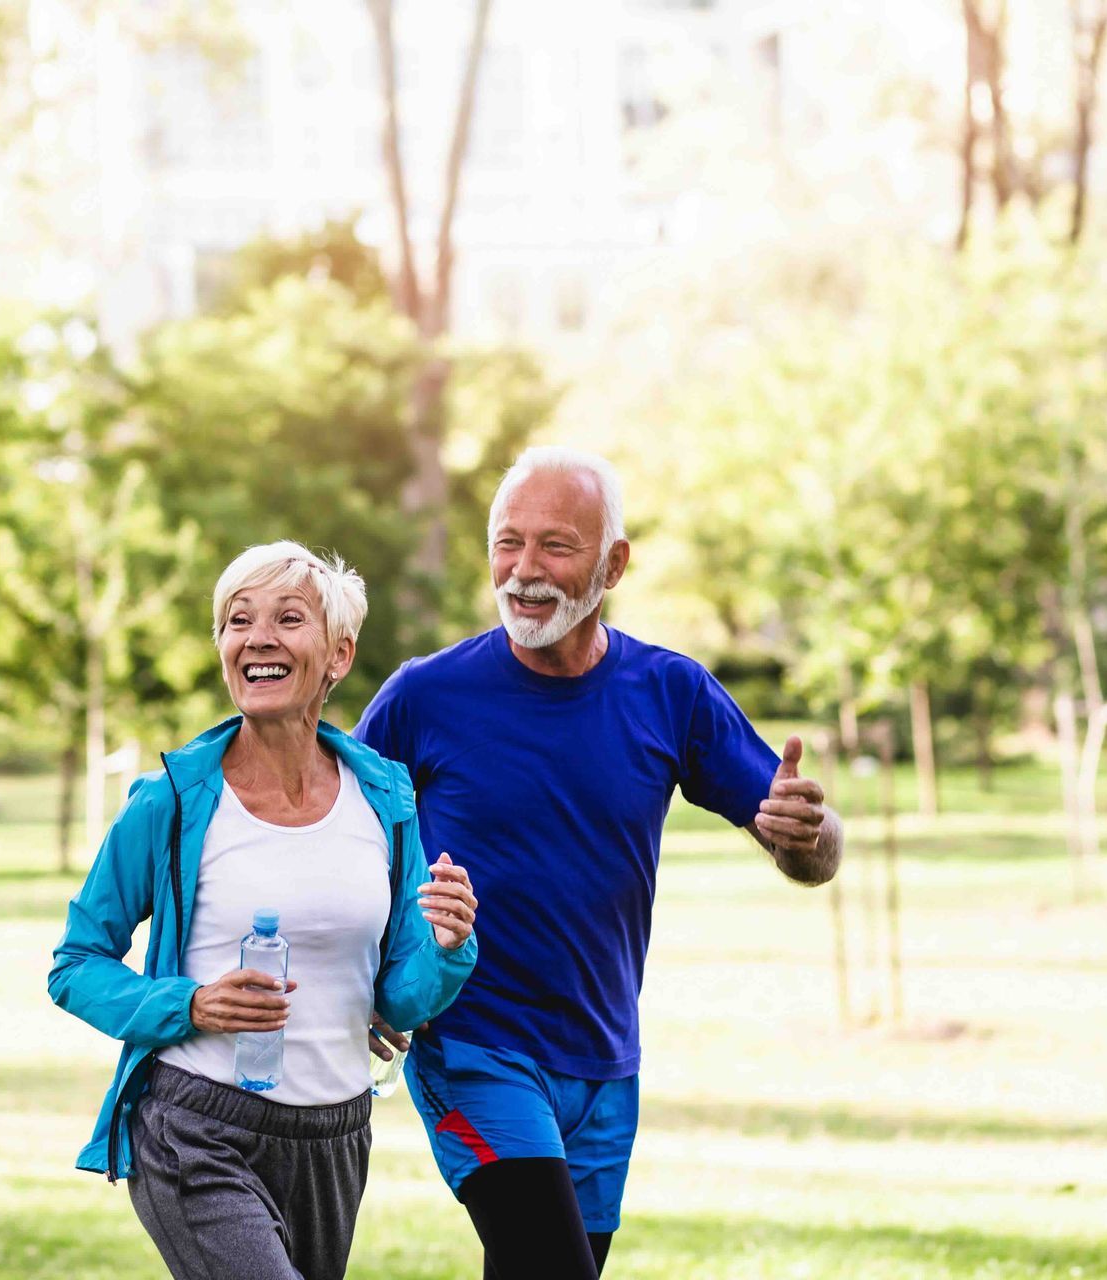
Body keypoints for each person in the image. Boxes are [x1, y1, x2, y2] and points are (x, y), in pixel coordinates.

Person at [356, 447, 841, 1278]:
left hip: (605, 1060)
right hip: (475, 1048)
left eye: (555, 545)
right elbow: (338, 848)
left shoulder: (671, 692)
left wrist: (810, 836)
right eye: (507, 543)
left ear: (614, 564)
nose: (524, 571)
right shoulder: (422, 697)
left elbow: (811, 849)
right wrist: (364, 979)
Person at [48, 541, 480, 1280]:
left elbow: (396, 999)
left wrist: (446, 947)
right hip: (196, 1129)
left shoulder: (384, 798)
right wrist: (193, 1005)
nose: (257, 638)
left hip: (334, 1136)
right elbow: (76, 965)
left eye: (288, 618)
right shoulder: (174, 801)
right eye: (236, 620)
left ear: (338, 655)